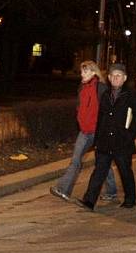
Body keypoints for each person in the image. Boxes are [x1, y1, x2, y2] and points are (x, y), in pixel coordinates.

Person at [75, 63, 136, 210]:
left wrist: (129, 135)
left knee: (125, 171)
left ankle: (130, 199)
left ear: (124, 78)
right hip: (105, 141)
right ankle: (89, 201)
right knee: (99, 171)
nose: (115, 78)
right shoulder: (106, 95)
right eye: (112, 76)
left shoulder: (132, 96)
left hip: (122, 141)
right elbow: (101, 118)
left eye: (118, 76)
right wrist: (98, 139)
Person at [50, 60, 118, 202]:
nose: (82, 74)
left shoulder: (101, 88)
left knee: (102, 162)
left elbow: (108, 110)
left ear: (94, 72)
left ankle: (111, 192)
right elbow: (80, 107)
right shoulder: (82, 87)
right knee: (75, 160)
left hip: (98, 132)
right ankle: (63, 189)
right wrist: (80, 119)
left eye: (85, 71)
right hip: (85, 131)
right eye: (81, 71)